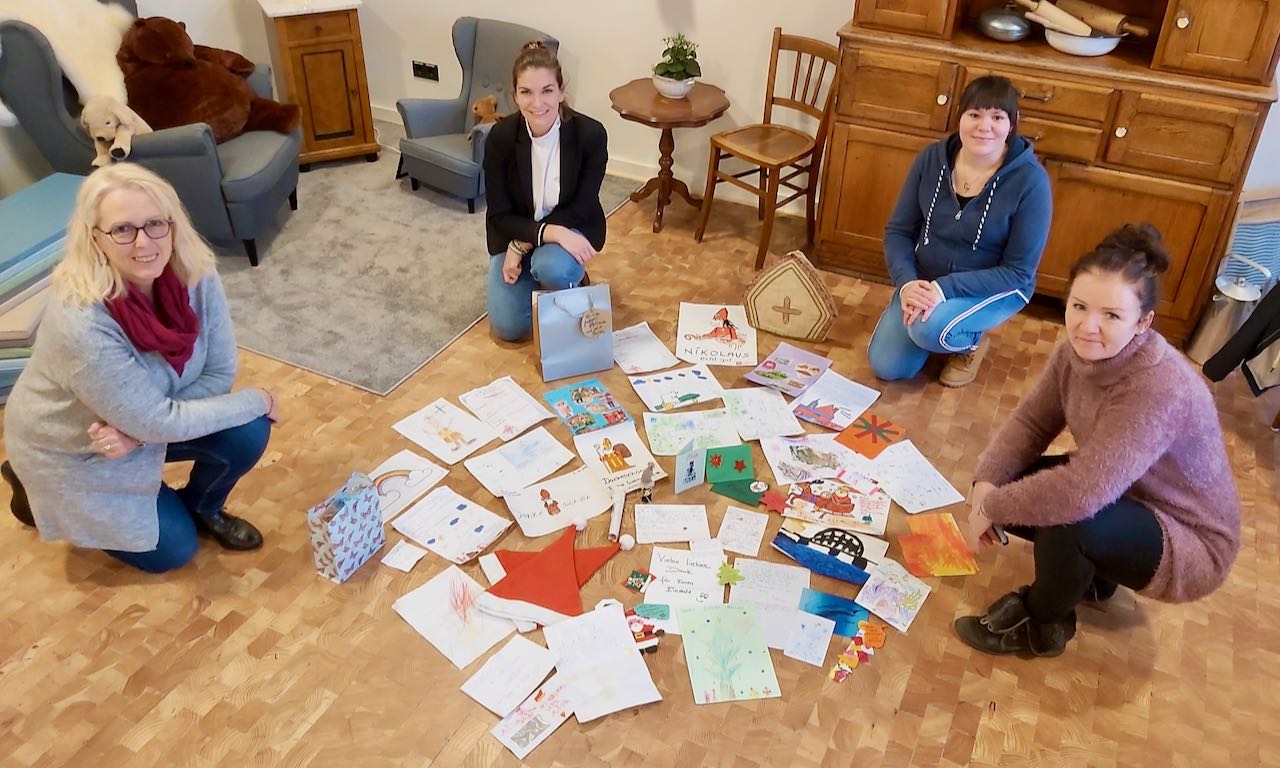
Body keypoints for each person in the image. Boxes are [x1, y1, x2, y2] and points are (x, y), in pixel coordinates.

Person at [954, 223, 1241, 658]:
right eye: (1079, 306)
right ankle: (1096, 571)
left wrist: (990, 507)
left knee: (1066, 515)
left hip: (1191, 541)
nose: (1088, 326)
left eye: (1111, 315)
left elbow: (1081, 493)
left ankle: (1042, 623)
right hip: (1130, 493)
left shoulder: (1157, 385)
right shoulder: (1073, 353)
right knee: (1014, 485)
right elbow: (1032, 422)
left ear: (1144, 322)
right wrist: (986, 485)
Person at [1, 163, 278, 574]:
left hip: (129, 430)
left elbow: (219, 374)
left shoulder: (196, 273)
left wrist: (142, 432)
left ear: (173, 224)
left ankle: (203, 508)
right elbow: (157, 420)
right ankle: (28, 483)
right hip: (75, 449)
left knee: (249, 429)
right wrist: (260, 398)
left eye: (154, 224)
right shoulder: (81, 322)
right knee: (174, 552)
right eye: (122, 230)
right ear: (95, 238)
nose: (144, 243)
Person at [868, 75, 1053, 388]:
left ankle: (970, 343)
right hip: (926, 280)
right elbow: (898, 231)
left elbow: (1019, 271)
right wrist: (908, 284)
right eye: (975, 115)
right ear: (960, 117)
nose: (984, 127)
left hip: (993, 286)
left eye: (997, 117)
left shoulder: (1031, 182)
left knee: (929, 330)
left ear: (1013, 123)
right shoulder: (930, 159)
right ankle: (937, 324)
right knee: (886, 366)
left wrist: (944, 290)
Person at [484, 40, 608, 341]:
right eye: (526, 92)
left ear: (562, 91)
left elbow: (583, 204)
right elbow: (499, 215)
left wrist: (522, 246)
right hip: (518, 231)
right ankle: (541, 278)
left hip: (572, 225)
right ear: (514, 95)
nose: (537, 103)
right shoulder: (500, 138)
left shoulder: (590, 135)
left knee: (551, 265)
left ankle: (566, 277)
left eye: (547, 91)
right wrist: (539, 236)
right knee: (508, 329)